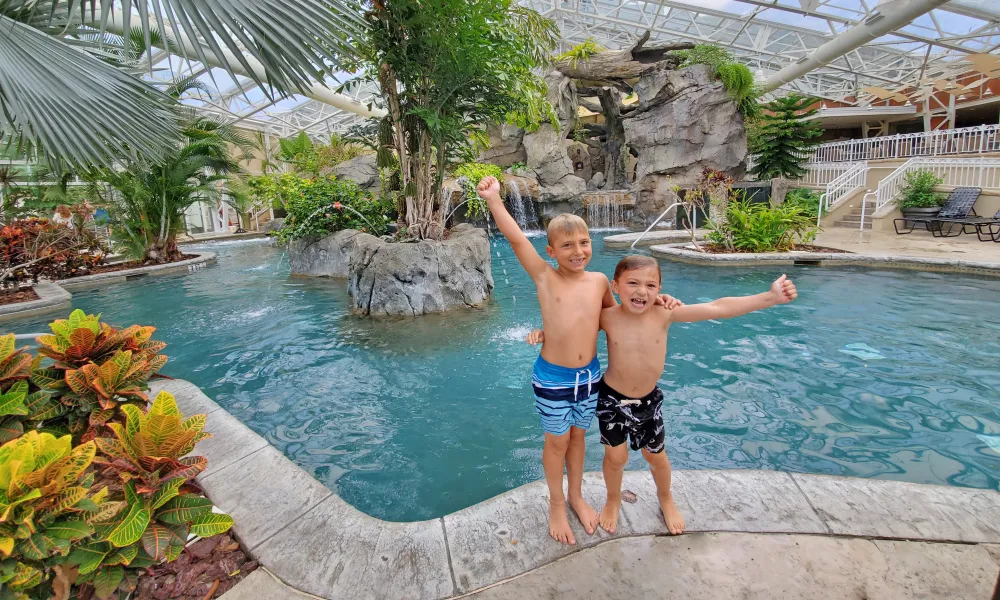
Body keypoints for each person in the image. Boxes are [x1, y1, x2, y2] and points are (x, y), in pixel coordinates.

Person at [527, 255, 798, 535]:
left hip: (648, 402)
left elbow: (717, 307)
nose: (642, 292)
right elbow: (573, 327)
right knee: (615, 458)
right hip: (611, 401)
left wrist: (769, 297)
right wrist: (544, 333)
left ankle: (666, 498)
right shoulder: (607, 317)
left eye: (650, 285)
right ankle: (612, 499)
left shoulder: (665, 314)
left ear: (659, 289)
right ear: (615, 286)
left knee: (656, 457)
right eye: (633, 283)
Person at [476, 176, 680, 545]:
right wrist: (493, 199)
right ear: (551, 251)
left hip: (589, 379)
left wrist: (658, 302)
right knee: (556, 442)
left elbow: (616, 317)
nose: (577, 251)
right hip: (553, 378)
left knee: (578, 439)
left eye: (584, 242)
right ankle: (556, 503)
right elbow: (517, 238)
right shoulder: (544, 276)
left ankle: (576, 495)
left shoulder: (600, 281)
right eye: (567, 245)